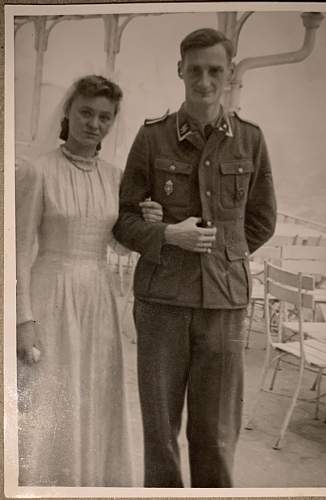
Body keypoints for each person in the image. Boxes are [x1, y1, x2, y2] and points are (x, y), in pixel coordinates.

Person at [113, 28, 277, 487]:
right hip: (161, 303)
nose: (205, 80)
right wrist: (168, 236)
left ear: (228, 73)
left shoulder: (250, 140)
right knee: (161, 434)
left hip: (224, 307)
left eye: (215, 70)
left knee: (217, 436)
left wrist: (222, 259)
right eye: (196, 69)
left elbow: (262, 221)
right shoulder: (152, 139)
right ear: (180, 70)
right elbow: (124, 222)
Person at [16, 75, 162, 486]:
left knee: (93, 395)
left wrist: (146, 224)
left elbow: (115, 246)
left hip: (98, 297)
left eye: (104, 116)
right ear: (68, 112)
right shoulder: (36, 170)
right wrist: (23, 319)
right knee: (48, 392)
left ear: (113, 122)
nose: (93, 123)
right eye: (85, 112)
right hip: (50, 293)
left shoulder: (116, 178)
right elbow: (18, 250)